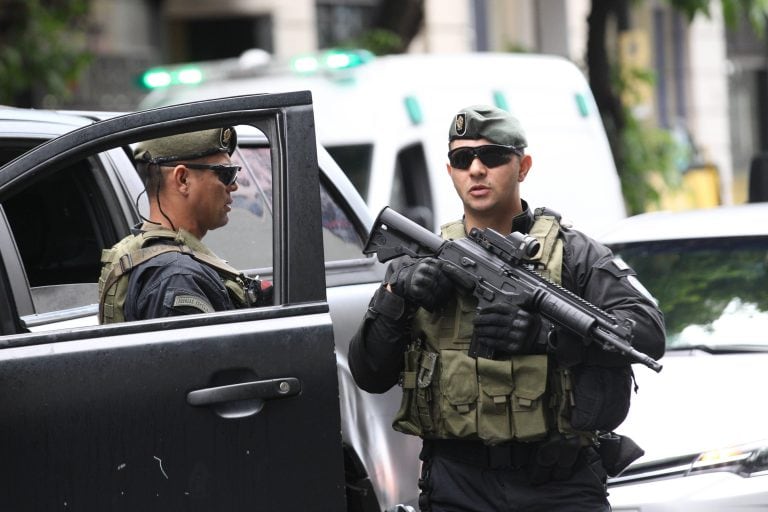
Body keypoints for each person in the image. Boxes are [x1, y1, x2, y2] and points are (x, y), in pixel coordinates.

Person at [348, 105, 665, 511]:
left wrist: (544, 336)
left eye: (492, 156)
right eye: (462, 159)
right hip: (457, 483)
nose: (476, 169)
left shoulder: (574, 254)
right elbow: (368, 373)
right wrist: (397, 293)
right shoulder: (419, 259)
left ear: (523, 165)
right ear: (451, 172)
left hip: (559, 482)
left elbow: (648, 331)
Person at [98, 126, 271, 323]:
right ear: (183, 179)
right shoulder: (178, 277)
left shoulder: (146, 255)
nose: (234, 186)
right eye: (226, 174)